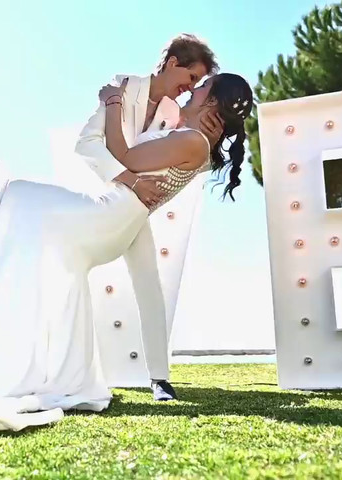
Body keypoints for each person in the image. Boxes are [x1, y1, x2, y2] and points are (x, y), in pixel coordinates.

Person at [0, 72, 253, 432]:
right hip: (116, 210)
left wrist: (112, 101)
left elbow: (123, 154)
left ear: (215, 103)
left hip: (111, 212)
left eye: (202, 88)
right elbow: (138, 167)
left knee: (17, 195)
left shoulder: (193, 141)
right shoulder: (192, 141)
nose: (192, 92)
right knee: (27, 223)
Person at [75, 34, 225, 401]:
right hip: (101, 197)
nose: (190, 90)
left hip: (137, 211)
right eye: (190, 78)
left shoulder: (176, 116)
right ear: (173, 63)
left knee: (150, 287)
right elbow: (86, 144)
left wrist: (215, 133)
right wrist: (127, 180)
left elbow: (183, 158)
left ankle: (160, 379)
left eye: (196, 86)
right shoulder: (121, 90)